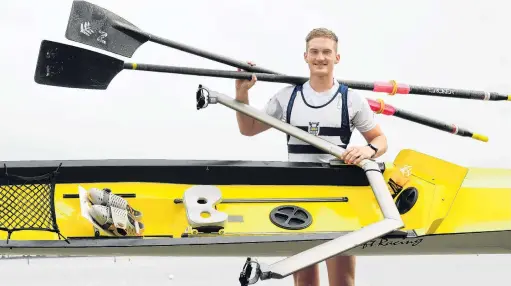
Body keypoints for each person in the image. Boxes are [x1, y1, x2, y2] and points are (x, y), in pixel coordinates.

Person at [234, 28, 388, 286]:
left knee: (342, 281)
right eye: (314, 52)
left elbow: (380, 140)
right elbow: (248, 129)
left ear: (336, 58)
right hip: (299, 196)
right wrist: (242, 94)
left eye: (326, 52)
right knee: (303, 280)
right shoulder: (288, 97)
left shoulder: (351, 99)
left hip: (339, 199)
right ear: (305, 57)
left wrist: (367, 150)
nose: (320, 57)